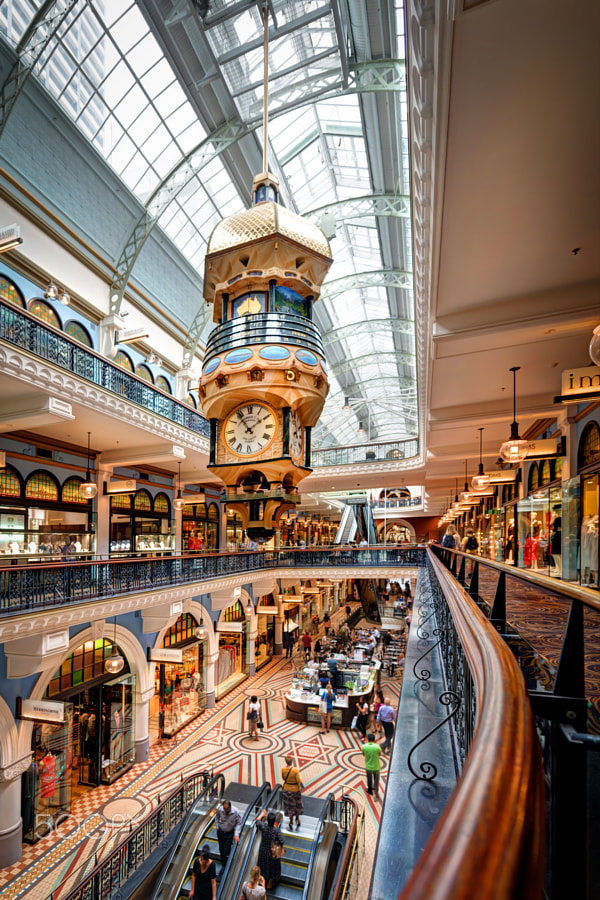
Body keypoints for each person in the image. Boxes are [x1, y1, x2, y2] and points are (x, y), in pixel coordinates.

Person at [256, 810, 283, 890]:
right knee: (272, 867)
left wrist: (262, 815)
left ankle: (263, 881)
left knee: (263, 865)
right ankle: (270, 883)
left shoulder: (263, 827)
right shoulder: (276, 831)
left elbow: (257, 821)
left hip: (263, 850)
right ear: (274, 821)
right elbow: (281, 841)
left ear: (267, 820)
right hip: (272, 852)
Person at [215, 800, 241, 874]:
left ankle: (226, 864)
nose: (226, 811)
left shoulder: (235, 812)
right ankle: (224, 864)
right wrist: (217, 826)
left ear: (230, 806)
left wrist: (236, 834)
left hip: (229, 834)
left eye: (227, 809)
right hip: (220, 832)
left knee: (226, 850)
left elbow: (239, 823)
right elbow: (216, 817)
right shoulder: (220, 810)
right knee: (221, 849)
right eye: (224, 809)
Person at [281, 754, 304, 830]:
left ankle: (290, 821)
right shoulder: (295, 770)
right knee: (297, 805)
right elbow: (299, 781)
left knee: (289, 806)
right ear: (292, 761)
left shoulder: (283, 769)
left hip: (287, 789)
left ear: (286, 761)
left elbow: (284, 778)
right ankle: (297, 819)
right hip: (295, 790)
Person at [361, 733, 382, 800]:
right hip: (376, 767)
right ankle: (376, 793)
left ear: (367, 739)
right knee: (376, 780)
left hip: (368, 767)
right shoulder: (377, 747)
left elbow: (363, 754)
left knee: (369, 779)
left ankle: (370, 790)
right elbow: (380, 754)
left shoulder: (364, 746)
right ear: (374, 740)